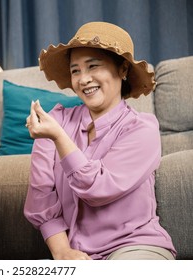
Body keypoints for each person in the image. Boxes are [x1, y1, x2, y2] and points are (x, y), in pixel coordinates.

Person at [23, 21, 176, 260]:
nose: (83, 79)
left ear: (123, 70)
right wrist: (62, 251)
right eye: (75, 71)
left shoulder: (142, 129)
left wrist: (59, 137)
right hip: (75, 253)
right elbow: (41, 197)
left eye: (93, 66)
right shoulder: (56, 121)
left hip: (135, 246)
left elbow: (97, 189)